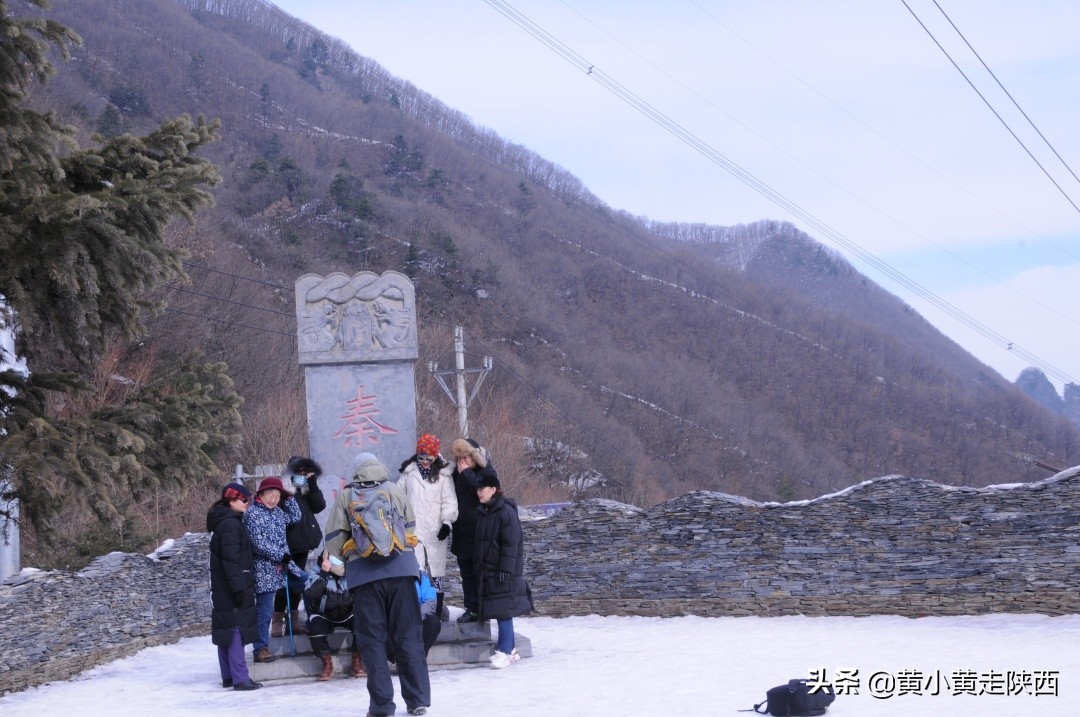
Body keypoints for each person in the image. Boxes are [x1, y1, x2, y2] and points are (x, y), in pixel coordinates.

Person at [324, 452, 431, 717]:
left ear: (356, 471)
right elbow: (411, 526)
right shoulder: (394, 489)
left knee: (372, 641)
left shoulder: (348, 496)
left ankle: (382, 706)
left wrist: (352, 553)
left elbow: (334, 541)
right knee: (408, 636)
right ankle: (417, 701)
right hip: (402, 572)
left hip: (365, 578)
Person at [473, 469, 533, 669]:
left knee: (503, 610)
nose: (479, 492)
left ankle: (505, 651)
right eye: (478, 489)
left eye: (482, 488)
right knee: (502, 607)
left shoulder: (505, 512)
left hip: (503, 571)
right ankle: (511, 649)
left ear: (493, 489)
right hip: (489, 570)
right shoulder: (485, 512)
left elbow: (511, 544)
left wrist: (506, 569)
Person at [243, 475, 304, 663]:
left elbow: (295, 517)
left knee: (309, 582)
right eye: (270, 494)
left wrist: (289, 497)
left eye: (277, 495)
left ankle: (317, 627)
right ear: (261, 494)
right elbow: (257, 543)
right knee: (265, 610)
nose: (273, 499)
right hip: (264, 569)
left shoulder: (277, 512)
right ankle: (260, 648)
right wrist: (280, 556)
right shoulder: (252, 513)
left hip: (285, 565)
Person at [207, 482, 262, 691]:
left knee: (225, 630)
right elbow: (231, 560)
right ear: (231, 500)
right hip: (231, 587)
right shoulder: (231, 524)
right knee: (236, 630)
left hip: (222, 587)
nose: (246, 503)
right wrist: (239, 588)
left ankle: (228, 676)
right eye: (243, 500)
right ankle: (240, 678)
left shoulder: (223, 521)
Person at [398, 434, 458, 622]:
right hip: (413, 530)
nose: (424, 462)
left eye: (428, 458)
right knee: (415, 570)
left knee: (436, 571)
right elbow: (398, 497)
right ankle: (416, 609)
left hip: (435, 531)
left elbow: (449, 501)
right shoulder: (409, 474)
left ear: (435, 457)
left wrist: (447, 523)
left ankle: (437, 611)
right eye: (421, 457)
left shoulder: (443, 475)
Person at [272, 456, 327, 638]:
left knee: (297, 584)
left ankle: (293, 621)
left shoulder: (306, 490)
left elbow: (319, 506)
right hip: (286, 544)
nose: (302, 476)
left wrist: (312, 483)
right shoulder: (283, 489)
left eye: (305, 473)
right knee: (283, 584)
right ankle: (277, 621)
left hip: (302, 544)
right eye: (299, 473)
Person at [449, 437, 496, 624]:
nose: (463, 461)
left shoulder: (485, 470)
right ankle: (472, 608)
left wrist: (467, 473)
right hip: (461, 531)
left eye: (467, 457)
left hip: (481, 531)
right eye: (459, 457)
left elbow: (484, 490)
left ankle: (485, 608)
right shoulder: (454, 473)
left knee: (481, 574)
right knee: (466, 574)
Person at [303, 552, 365, 681]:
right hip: (324, 614)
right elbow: (310, 594)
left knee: (364, 624)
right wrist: (324, 573)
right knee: (314, 628)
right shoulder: (316, 571)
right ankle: (327, 663)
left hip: (348, 612)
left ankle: (357, 660)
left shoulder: (352, 571)